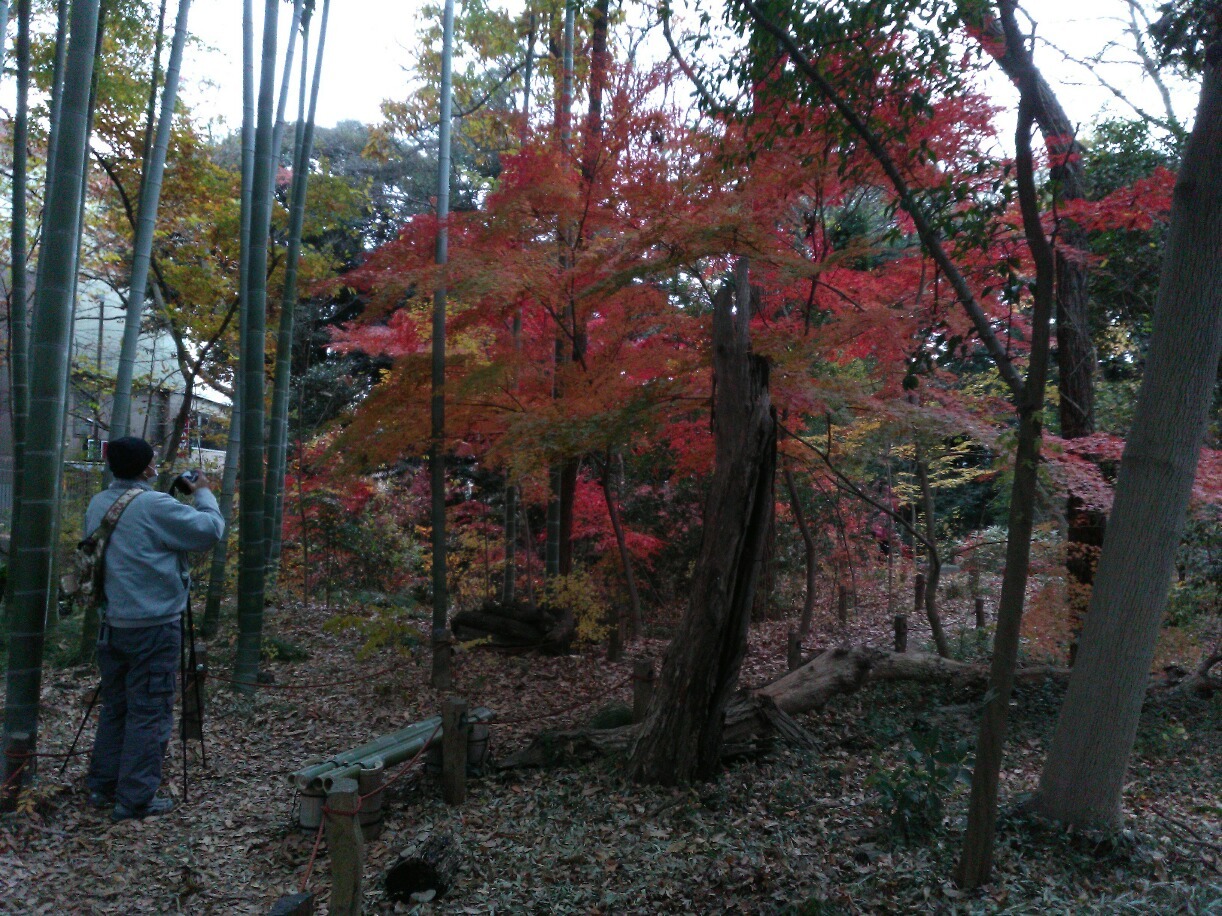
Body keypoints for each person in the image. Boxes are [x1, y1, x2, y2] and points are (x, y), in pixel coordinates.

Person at [85, 436, 224, 821]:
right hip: (154, 627)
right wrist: (205, 494)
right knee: (150, 711)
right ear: (147, 468)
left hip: (112, 625)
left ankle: (102, 785)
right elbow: (210, 531)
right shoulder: (153, 504)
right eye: (152, 462)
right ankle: (135, 799)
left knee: (117, 708)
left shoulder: (100, 503)